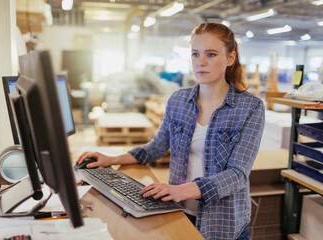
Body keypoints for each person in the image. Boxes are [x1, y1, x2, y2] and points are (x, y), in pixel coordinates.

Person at [77, 22, 265, 240]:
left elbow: (237, 175)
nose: (201, 62)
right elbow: (156, 148)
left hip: (223, 224)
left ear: (230, 58)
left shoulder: (250, 108)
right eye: (195, 54)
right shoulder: (179, 100)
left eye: (211, 54)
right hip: (179, 213)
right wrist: (111, 159)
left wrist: (181, 190)